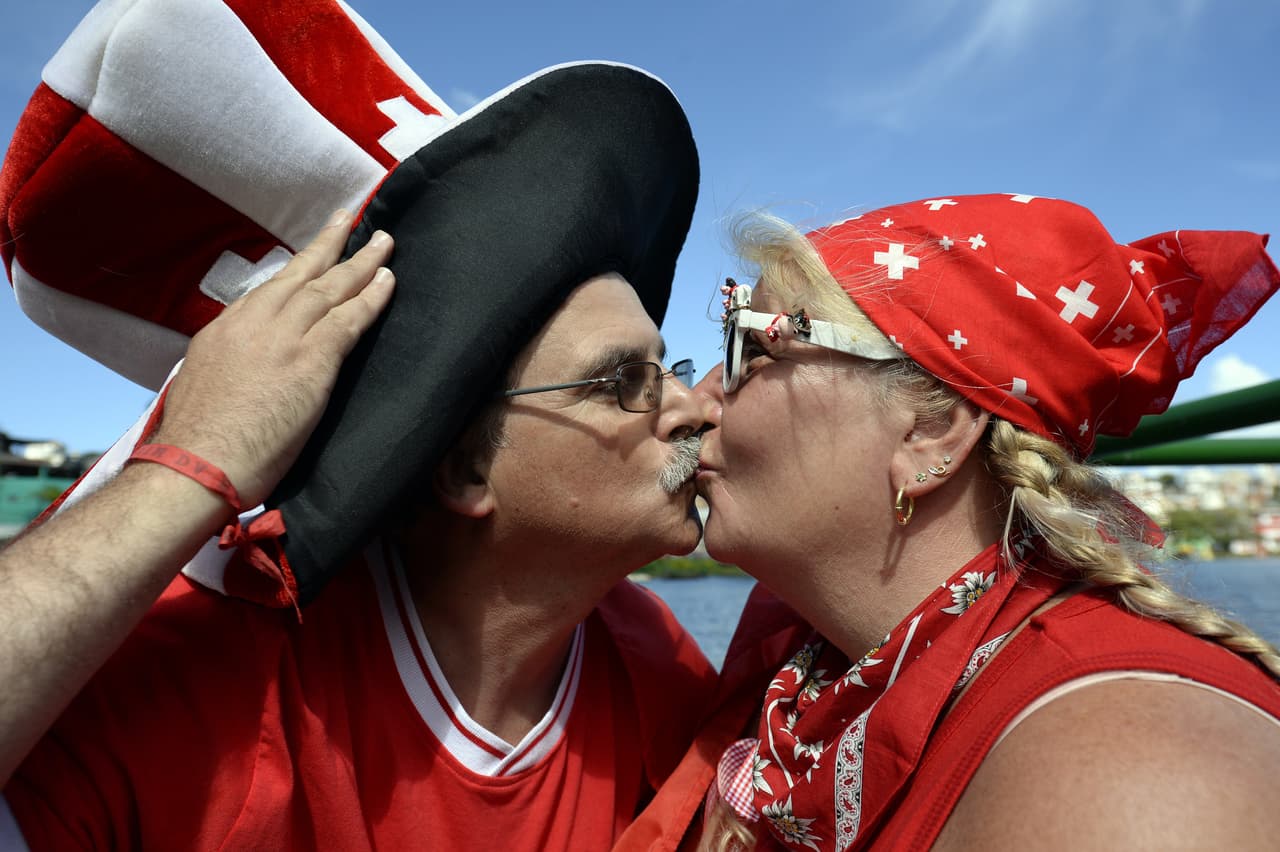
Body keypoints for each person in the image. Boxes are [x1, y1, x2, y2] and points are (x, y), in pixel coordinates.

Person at [0, 13, 717, 846]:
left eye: (673, 368)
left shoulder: (654, 659)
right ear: (463, 473)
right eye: (625, 380)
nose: (696, 409)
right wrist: (191, 462)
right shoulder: (217, 689)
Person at [618, 193, 1280, 851]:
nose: (695, 397)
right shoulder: (805, 673)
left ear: (930, 433)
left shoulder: (1134, 775)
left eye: (757, 349)